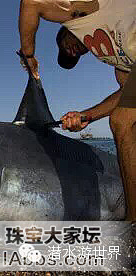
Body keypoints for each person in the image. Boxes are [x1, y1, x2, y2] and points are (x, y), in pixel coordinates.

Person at [18, 0, 136, 222]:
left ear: (66, 30)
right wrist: (86, 116)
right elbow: (127, 94)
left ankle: (133, 223)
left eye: (66, 48)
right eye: (73, 57)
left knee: (121, 121)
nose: (71, 53)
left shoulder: (80, 13)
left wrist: (29, 54)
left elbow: (31, 3)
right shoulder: (117, 62)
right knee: (128, 121)